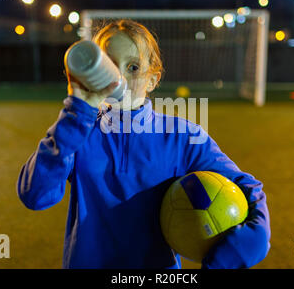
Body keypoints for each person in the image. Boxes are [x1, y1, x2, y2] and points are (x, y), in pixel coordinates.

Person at [16, 19, 270, 269]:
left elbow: (247, 188)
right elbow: (35, 195)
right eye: (111, 66)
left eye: (133, 67)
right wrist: (76, 114)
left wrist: (244, 245)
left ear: (153, 79)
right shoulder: (78, 130)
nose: (121, 79)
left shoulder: (182, 136)